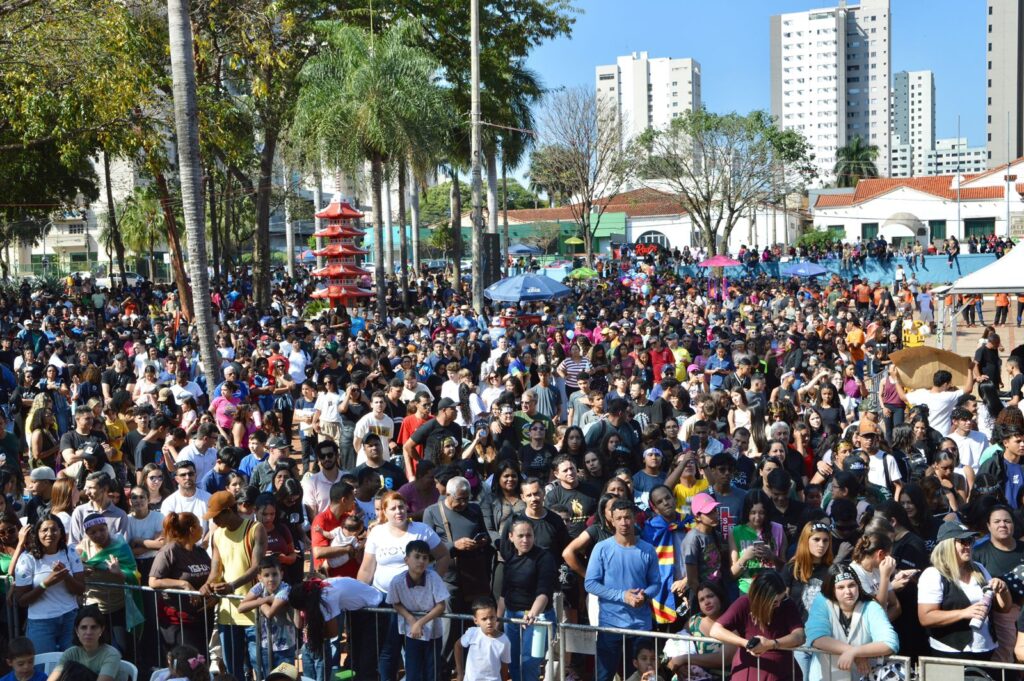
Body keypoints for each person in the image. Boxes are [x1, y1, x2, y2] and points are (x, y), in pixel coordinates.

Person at [354, 491, 449, 681]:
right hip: (385, 601)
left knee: (417, 652)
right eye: (393, 508)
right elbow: (366, 568)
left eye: (401, 507)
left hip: (417, 602)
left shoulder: (421, 530)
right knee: (388, 650)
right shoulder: (377, 532)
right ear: (384, 512)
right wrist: (358, 597)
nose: (399, 511)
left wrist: (432, 584)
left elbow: (443, 555)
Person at [422, 476, 493, 677]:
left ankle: (469, 671)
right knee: (449, 627)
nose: (463, 503)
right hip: (448, 579)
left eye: (466, 498)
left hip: (474, 578)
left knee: (473, 627)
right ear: (448, 494)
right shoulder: (433, 512)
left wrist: (482, 541)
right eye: (459, 499)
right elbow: (426, 549)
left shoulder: (474, 509)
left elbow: (485, 534)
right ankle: (441, 671)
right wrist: (454, 546)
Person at [585, 499, 661, 681]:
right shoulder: (601, 548)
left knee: (640, 677)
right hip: (610, 626)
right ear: (611, 520)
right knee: (603, 676)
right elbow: (590, 583)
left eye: (627, 517)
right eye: (618, 518)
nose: (623, 522)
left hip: (640, 626)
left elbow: (656, 584)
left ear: (634, 518)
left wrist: (644, 595)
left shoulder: (648, 550)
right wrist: (622, 596)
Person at [918, 520, 1010, 660]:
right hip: (950, 652)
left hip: (985, 648)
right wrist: (963, 613)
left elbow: (1004, 609)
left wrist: (1003, 591)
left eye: (970, 541)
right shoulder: (933, 574)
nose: (968, 546)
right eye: (963, 541)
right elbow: (926, 617)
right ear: (948, 545)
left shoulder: (979, 569)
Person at [201, 490, 268, 679]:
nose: (214, 521)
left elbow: (257, 567)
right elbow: (215, 571)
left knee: (260, 667)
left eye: (216, 516)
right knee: (232, 671)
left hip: (254, 610)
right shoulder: (217, 535)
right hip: (228, 613)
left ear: (229, 511)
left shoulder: (256, 529)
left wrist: (232, 586)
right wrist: (207, 585)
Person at [805, 564, 899, 681]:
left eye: (851, 585)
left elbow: (890, 643)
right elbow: (816, 637)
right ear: (832, 590)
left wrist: (855, 652)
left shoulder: (871, 606)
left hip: (862, 676)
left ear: (858, 586)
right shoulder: (822, 601)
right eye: (841, 587)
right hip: (826, 676)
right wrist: (853, 653)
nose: (848, 591)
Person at [708, 571, 806, 681]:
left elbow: (800, 636)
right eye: (774, 602)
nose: (779, 604)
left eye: (782, 599)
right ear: (760, 598)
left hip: (783, 672)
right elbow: (715, 630)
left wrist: (771, 644)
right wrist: (747, 644)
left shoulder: (787, 604)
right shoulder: (744, 603)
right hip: (750, 671)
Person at [12, 514, 85, 653]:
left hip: (69, 619)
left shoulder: (70, 553)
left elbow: (80, 590)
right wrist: (46, 584)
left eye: (54, 529)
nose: (49, 534)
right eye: (44, 530)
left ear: (61, 532)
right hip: (41, 624)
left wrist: (65, 576)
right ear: (37, 533)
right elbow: (22, 600)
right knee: (44, 664)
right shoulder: (27, 559)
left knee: (72, 664)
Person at [498, 517, 557, 681]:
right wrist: (497, 620)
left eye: (529, 535)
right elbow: (504, 593)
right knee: (513, 663)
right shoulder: (510, 558)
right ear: (511, 537)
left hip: (537, 618)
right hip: (511, 617)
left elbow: (544, 592)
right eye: (520, 536)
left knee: (529, 664)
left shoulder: (544, 557)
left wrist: (532, 614)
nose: (525, 540)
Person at [149, 512, 213, 652]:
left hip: (203, 618)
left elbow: (212, 575)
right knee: (187, 660)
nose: (202, 529)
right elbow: (153, 581)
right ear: (192, 529)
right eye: (199, 525)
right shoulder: (169, 551)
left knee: (201, 658)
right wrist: (184, 584)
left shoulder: (200, 551)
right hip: (179, 621)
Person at [386, 540, 448, 681]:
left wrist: (420, 623)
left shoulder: (433, 577)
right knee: (413, 671)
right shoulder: (397, 581)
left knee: (431, 672)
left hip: (433, 632)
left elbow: (441, 605)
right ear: (406, 560)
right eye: (417, 557)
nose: (421, 561)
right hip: (411, 633)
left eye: (425, 558)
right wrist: (411, 619)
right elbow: (395, 603)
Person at [238, 556, 295, 676]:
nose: (271, 579)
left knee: (285, 678)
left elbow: (270, 613)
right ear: (259, 577)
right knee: (267, 677)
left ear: (281, 574)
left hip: (284, 647)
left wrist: (259, 602)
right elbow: (241, 607)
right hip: (265, 645)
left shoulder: (285, 589)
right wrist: (265, 599)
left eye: (275, 574)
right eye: (266, 575)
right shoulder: (260, 587)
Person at [44, 605, 122, 681]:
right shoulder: (71, 653)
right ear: (77, 630)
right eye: (84, 627)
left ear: (102, 630)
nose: (88, 632)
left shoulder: (111, 654)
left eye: (93, 627)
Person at [454, 596, 511, 681]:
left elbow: (504, 667)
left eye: (492, 617)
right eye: (484, 619)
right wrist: (460, 672)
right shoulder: (472, 633)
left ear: (496, 616)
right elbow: (458, 646)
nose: (489, 622)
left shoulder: (504, 640)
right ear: (476, 620)